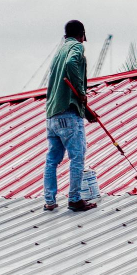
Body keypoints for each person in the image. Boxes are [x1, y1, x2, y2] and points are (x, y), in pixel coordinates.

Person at [43, 19, 99, 212]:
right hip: (67, 113)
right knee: (78, 156)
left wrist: (86, 113)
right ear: (81, 34)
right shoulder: (75, 47)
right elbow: (71, 63)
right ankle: (74, 199)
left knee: (52, 159)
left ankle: (50, 200)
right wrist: (82, 91)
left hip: (52, 115)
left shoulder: (58, 51)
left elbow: (62, 88)